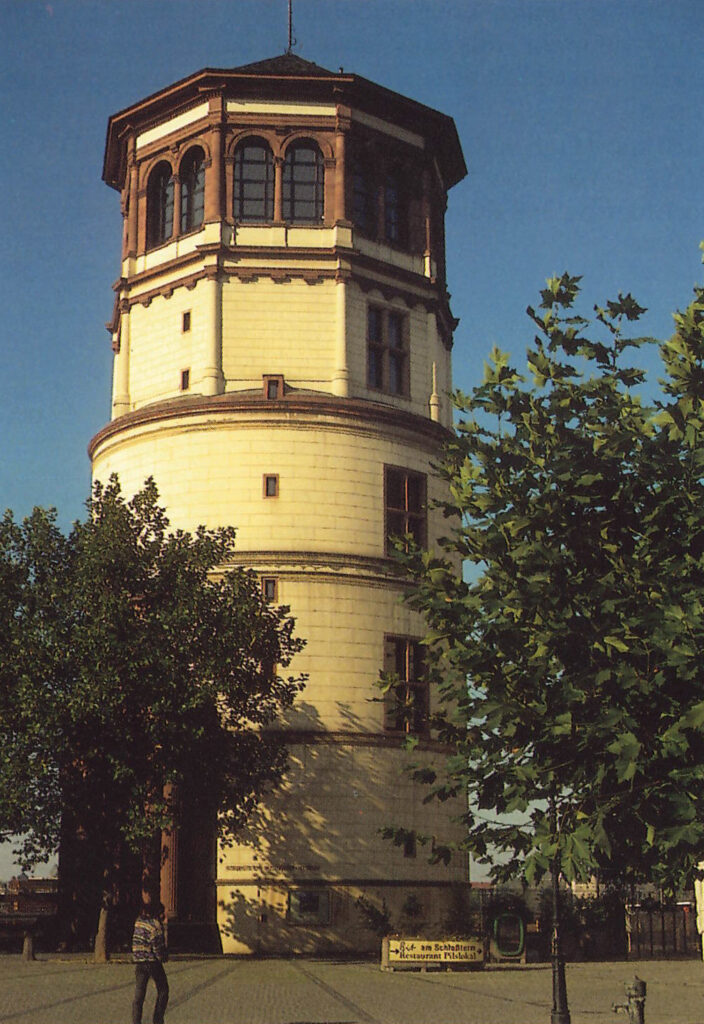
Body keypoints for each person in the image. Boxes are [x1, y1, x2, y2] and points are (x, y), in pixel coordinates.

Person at [131, 900, 169, 1024]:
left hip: (139, 962)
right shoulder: (155, 925)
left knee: (139, 995)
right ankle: (157, 1020)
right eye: (163, 913)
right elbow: (158, 947)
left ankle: (136, 1021)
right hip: (152, 962)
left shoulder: (138, 922)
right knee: (163, 990)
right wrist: (163, 957)